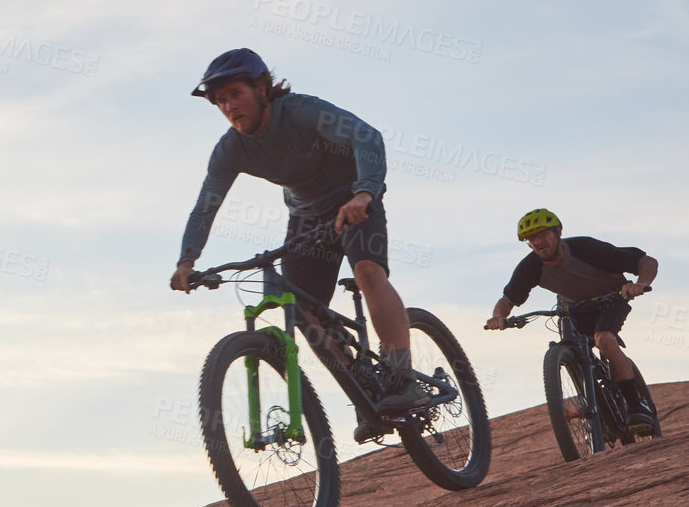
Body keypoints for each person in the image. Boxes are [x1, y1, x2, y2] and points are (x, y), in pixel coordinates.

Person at [169, 48, 424, 442]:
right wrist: (187, 261)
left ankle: (402, 376)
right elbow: (206, 205)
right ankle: (364, 394)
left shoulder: (301, 112)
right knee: (305, 311)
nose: (229, 106)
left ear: (261, 88)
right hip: (307, 217)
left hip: (354, 198)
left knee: (368, 272)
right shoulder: (230, 149)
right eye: (219, 101)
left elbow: (366, 137)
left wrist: (365, 192)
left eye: (236, 94)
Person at [485, 208, 658, 433]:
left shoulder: (586, 249)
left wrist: (640, 283)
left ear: (558, 231)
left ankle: (636, 407)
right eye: (531, 238)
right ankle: (597, 411)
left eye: (543, 234)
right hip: (574, 308)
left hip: (611, 299)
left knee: (604, 339)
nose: (538, 241)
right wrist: (498, 316)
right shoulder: (531, 266)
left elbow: (646, 261)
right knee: (571, 349)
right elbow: (508, 299)